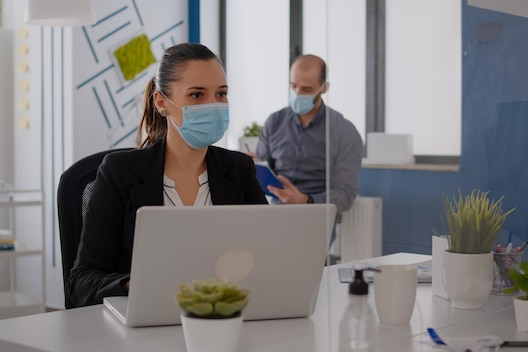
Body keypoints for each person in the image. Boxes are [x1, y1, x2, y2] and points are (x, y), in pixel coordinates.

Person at [67, 43, 267, 307]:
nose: (214, 105)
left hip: (220, 318)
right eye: (197, 95)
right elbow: (82, 282)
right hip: (145, 323)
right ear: (162, 103)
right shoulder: (119, 171)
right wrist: (136, 284)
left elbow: (267, 256)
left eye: (221, 94)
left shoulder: (239, 168)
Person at [250, 54, 363, 215]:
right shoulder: (274, 122)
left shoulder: (344, 131)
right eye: (293, 86)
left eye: (306, 89)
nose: (297, 93)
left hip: (317, 215)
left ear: (324, 87)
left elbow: (345, 193)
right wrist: (252, 166)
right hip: (275, 212)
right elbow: (260, 176)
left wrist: (306, 200)